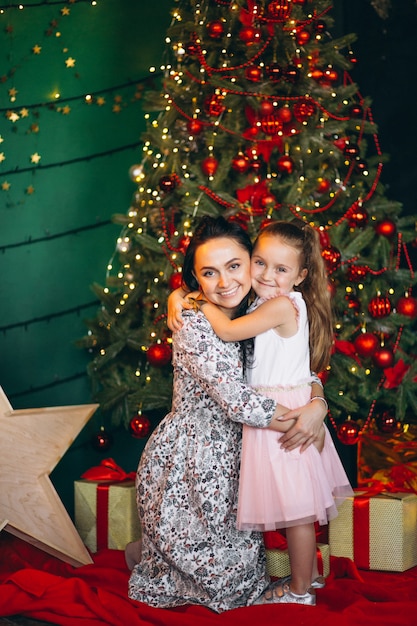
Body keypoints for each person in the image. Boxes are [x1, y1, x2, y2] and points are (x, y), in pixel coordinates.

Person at [127, 216, 328, 613]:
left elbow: (297, 368)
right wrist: (301, 419)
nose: (224, 283)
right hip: (193, 463)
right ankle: (149, 554)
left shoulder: (255, 308)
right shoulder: (195, 322)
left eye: (235, 266)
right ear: (195, 279)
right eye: (209, 273)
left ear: (251, 261)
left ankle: (150, 552)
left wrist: (318, 405)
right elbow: (237, 400)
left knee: (244, 580)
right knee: (227, 593)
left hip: (241, 453)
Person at [188, 220, 353, 606]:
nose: (266, 275)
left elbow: (229, 333)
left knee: (297, 512)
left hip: (281, 415)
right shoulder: (269, 302)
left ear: (301, 275)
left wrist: (198, 302)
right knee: (296, 506)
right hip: (280, 408)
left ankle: (297, 592)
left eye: (281, 269)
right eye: (259, 263)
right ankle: (308, 578)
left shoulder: (280, 304)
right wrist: (176, 297)